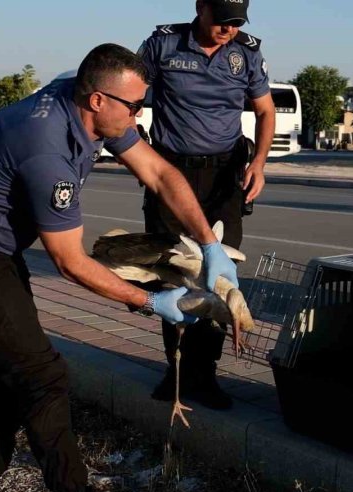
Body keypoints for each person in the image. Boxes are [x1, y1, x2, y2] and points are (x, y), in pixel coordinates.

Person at [0, 43, 239, 492]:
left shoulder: (88, 106)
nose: (140, 116)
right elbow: (69, 260)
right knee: (42, 376)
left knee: (18, 374)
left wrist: (209, 244)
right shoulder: (46, 149)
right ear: (98, 99)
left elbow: (160, 174)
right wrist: (148, 301)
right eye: (135, 106)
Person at [138, 0, 276, 410]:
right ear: (200, 7)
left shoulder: (247, 51)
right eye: (221, 20)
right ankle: (176, 370)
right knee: (173, 271)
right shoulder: (163, 45)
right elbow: (129, 97)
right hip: (170, 170)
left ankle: (206, 374)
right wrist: (137, 152)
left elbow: (265, 110)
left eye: (236, 22)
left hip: (223, 177)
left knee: (220, 276)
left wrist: (260, 163)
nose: (227, 29)